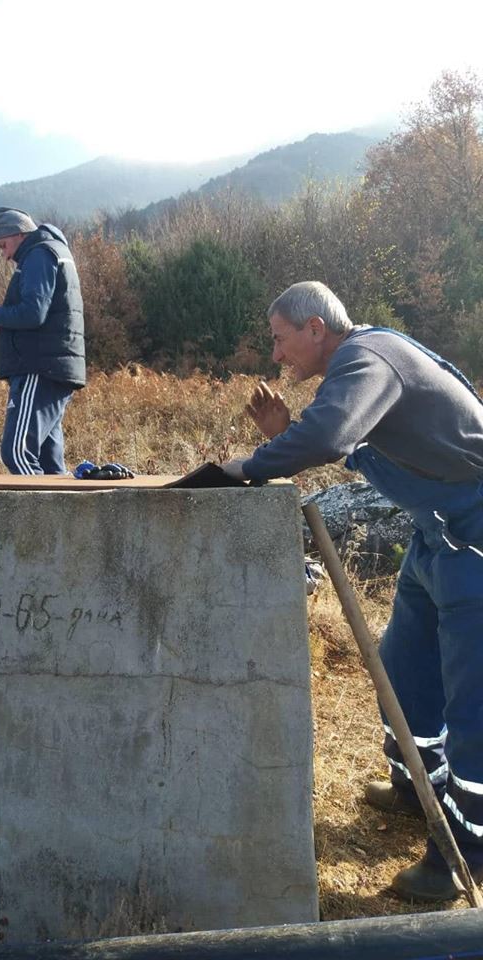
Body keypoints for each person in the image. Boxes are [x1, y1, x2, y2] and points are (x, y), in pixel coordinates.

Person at [222, 280, 483, 902]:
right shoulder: (366, 365)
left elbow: (329, 438)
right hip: (435, 536)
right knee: (404, 664)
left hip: (474, 541)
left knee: (474, 699)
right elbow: (359, 444)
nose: (278, 358)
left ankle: (466, 852)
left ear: (316, 328)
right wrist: (288, 430)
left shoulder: (367, 359)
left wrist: (246, 466)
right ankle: (415, 784)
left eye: (282, 341)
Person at [0, 207, 85, 474]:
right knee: (49, 466)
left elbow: (34, 313)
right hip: (55, 366)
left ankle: (42, 517)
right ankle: (61, 514)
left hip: (39, 368)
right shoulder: (52, 251)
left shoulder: (38, 255)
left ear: (18, 233)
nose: (5, 255)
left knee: (16, 452)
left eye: (3, 245)